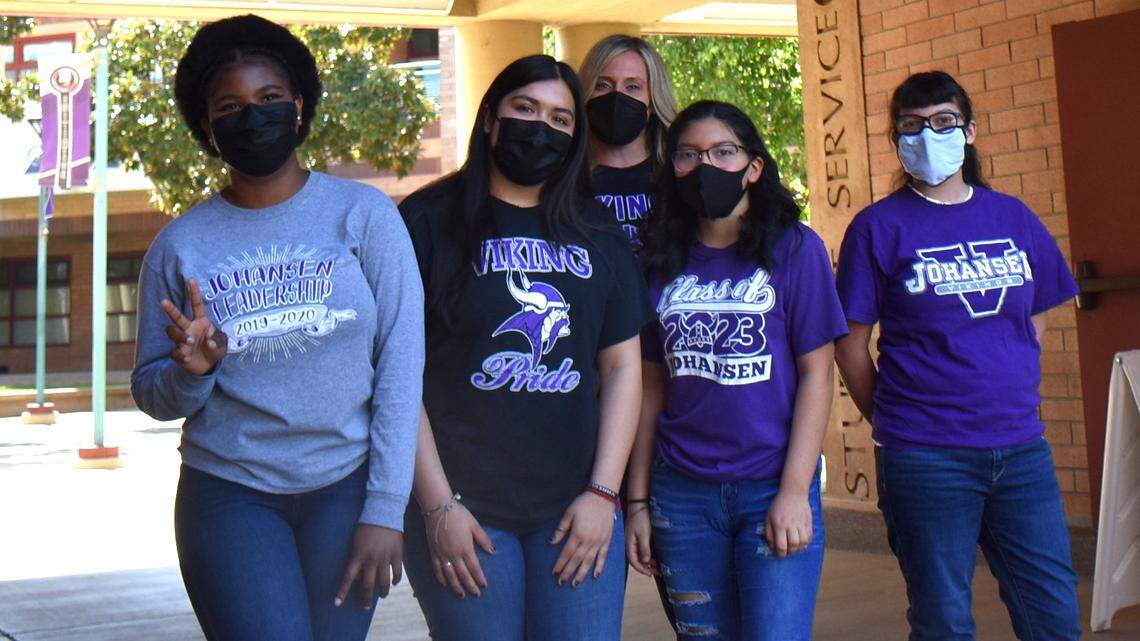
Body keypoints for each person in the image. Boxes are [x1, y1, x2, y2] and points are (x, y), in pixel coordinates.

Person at [131, 15, 423, 641]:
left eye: (268, 99)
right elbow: (150, 392)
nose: (253, 116)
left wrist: (385, 509)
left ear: (298, 106)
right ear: (207, 128)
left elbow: (402, 366)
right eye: (230, 106)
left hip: (344, 492)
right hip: (229, 493)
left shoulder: (364, 215)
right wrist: (192, 373)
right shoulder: (179, 244)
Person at [397, 54, 651, 641]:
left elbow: (621, 370)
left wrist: (603, 495)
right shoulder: (426, 223)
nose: (542, 128)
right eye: (526, 109)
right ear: (490, 118)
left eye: (561, 120)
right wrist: (437, 507)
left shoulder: (599, 234)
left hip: (574, 509)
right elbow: (397, 373)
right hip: (464, 509)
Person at [834, 71, 1082, 641]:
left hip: (1021, 450)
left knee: (1053, 613)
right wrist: (894, 420)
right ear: (895, 140)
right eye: (911, 126)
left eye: (943, 122)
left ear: (969, 130)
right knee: (943, 618)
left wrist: (1005, 379)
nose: (928, 135)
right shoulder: (877, 227)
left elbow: (1035, 312)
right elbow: (850, 344)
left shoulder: (1011, 216)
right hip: (926, 458)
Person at [627, 100, 847, 641]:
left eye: (723, 151)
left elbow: (819, 375)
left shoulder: (795, 249)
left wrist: (796, 490)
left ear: (754, 167)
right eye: (688, 154)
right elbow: (649, 388)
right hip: (681, 491)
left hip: (771, 485)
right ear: (672, 169)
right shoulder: (656, 258)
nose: (706, 166)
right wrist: (637, 499)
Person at [578, 34, 678, 248]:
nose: (617, 96)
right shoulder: (565, 176)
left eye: (632, 87)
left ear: (653, 100)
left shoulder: (678, 172)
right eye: (603, 85)